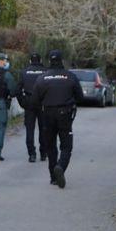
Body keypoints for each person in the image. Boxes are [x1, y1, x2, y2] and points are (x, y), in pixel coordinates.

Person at [32, 50, 83, 188]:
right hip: (65, 114)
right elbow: (80, 97)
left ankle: (53, 177)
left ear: (49, 61)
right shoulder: (70, 76)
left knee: (51, 146)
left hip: (47, 114)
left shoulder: (42, 78)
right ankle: (60, 166)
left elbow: (35, 99)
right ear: (62, 61)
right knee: (66, 146)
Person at [15, 52, 47, 163]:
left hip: (29, 102)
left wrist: (22, 103)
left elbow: (17, 90)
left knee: (30, 130)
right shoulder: (45, 72)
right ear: (41, 60)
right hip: (42, 103)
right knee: (43, 129)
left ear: (30, 61)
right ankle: (43, 153)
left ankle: (32, 154)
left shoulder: (24, 72)